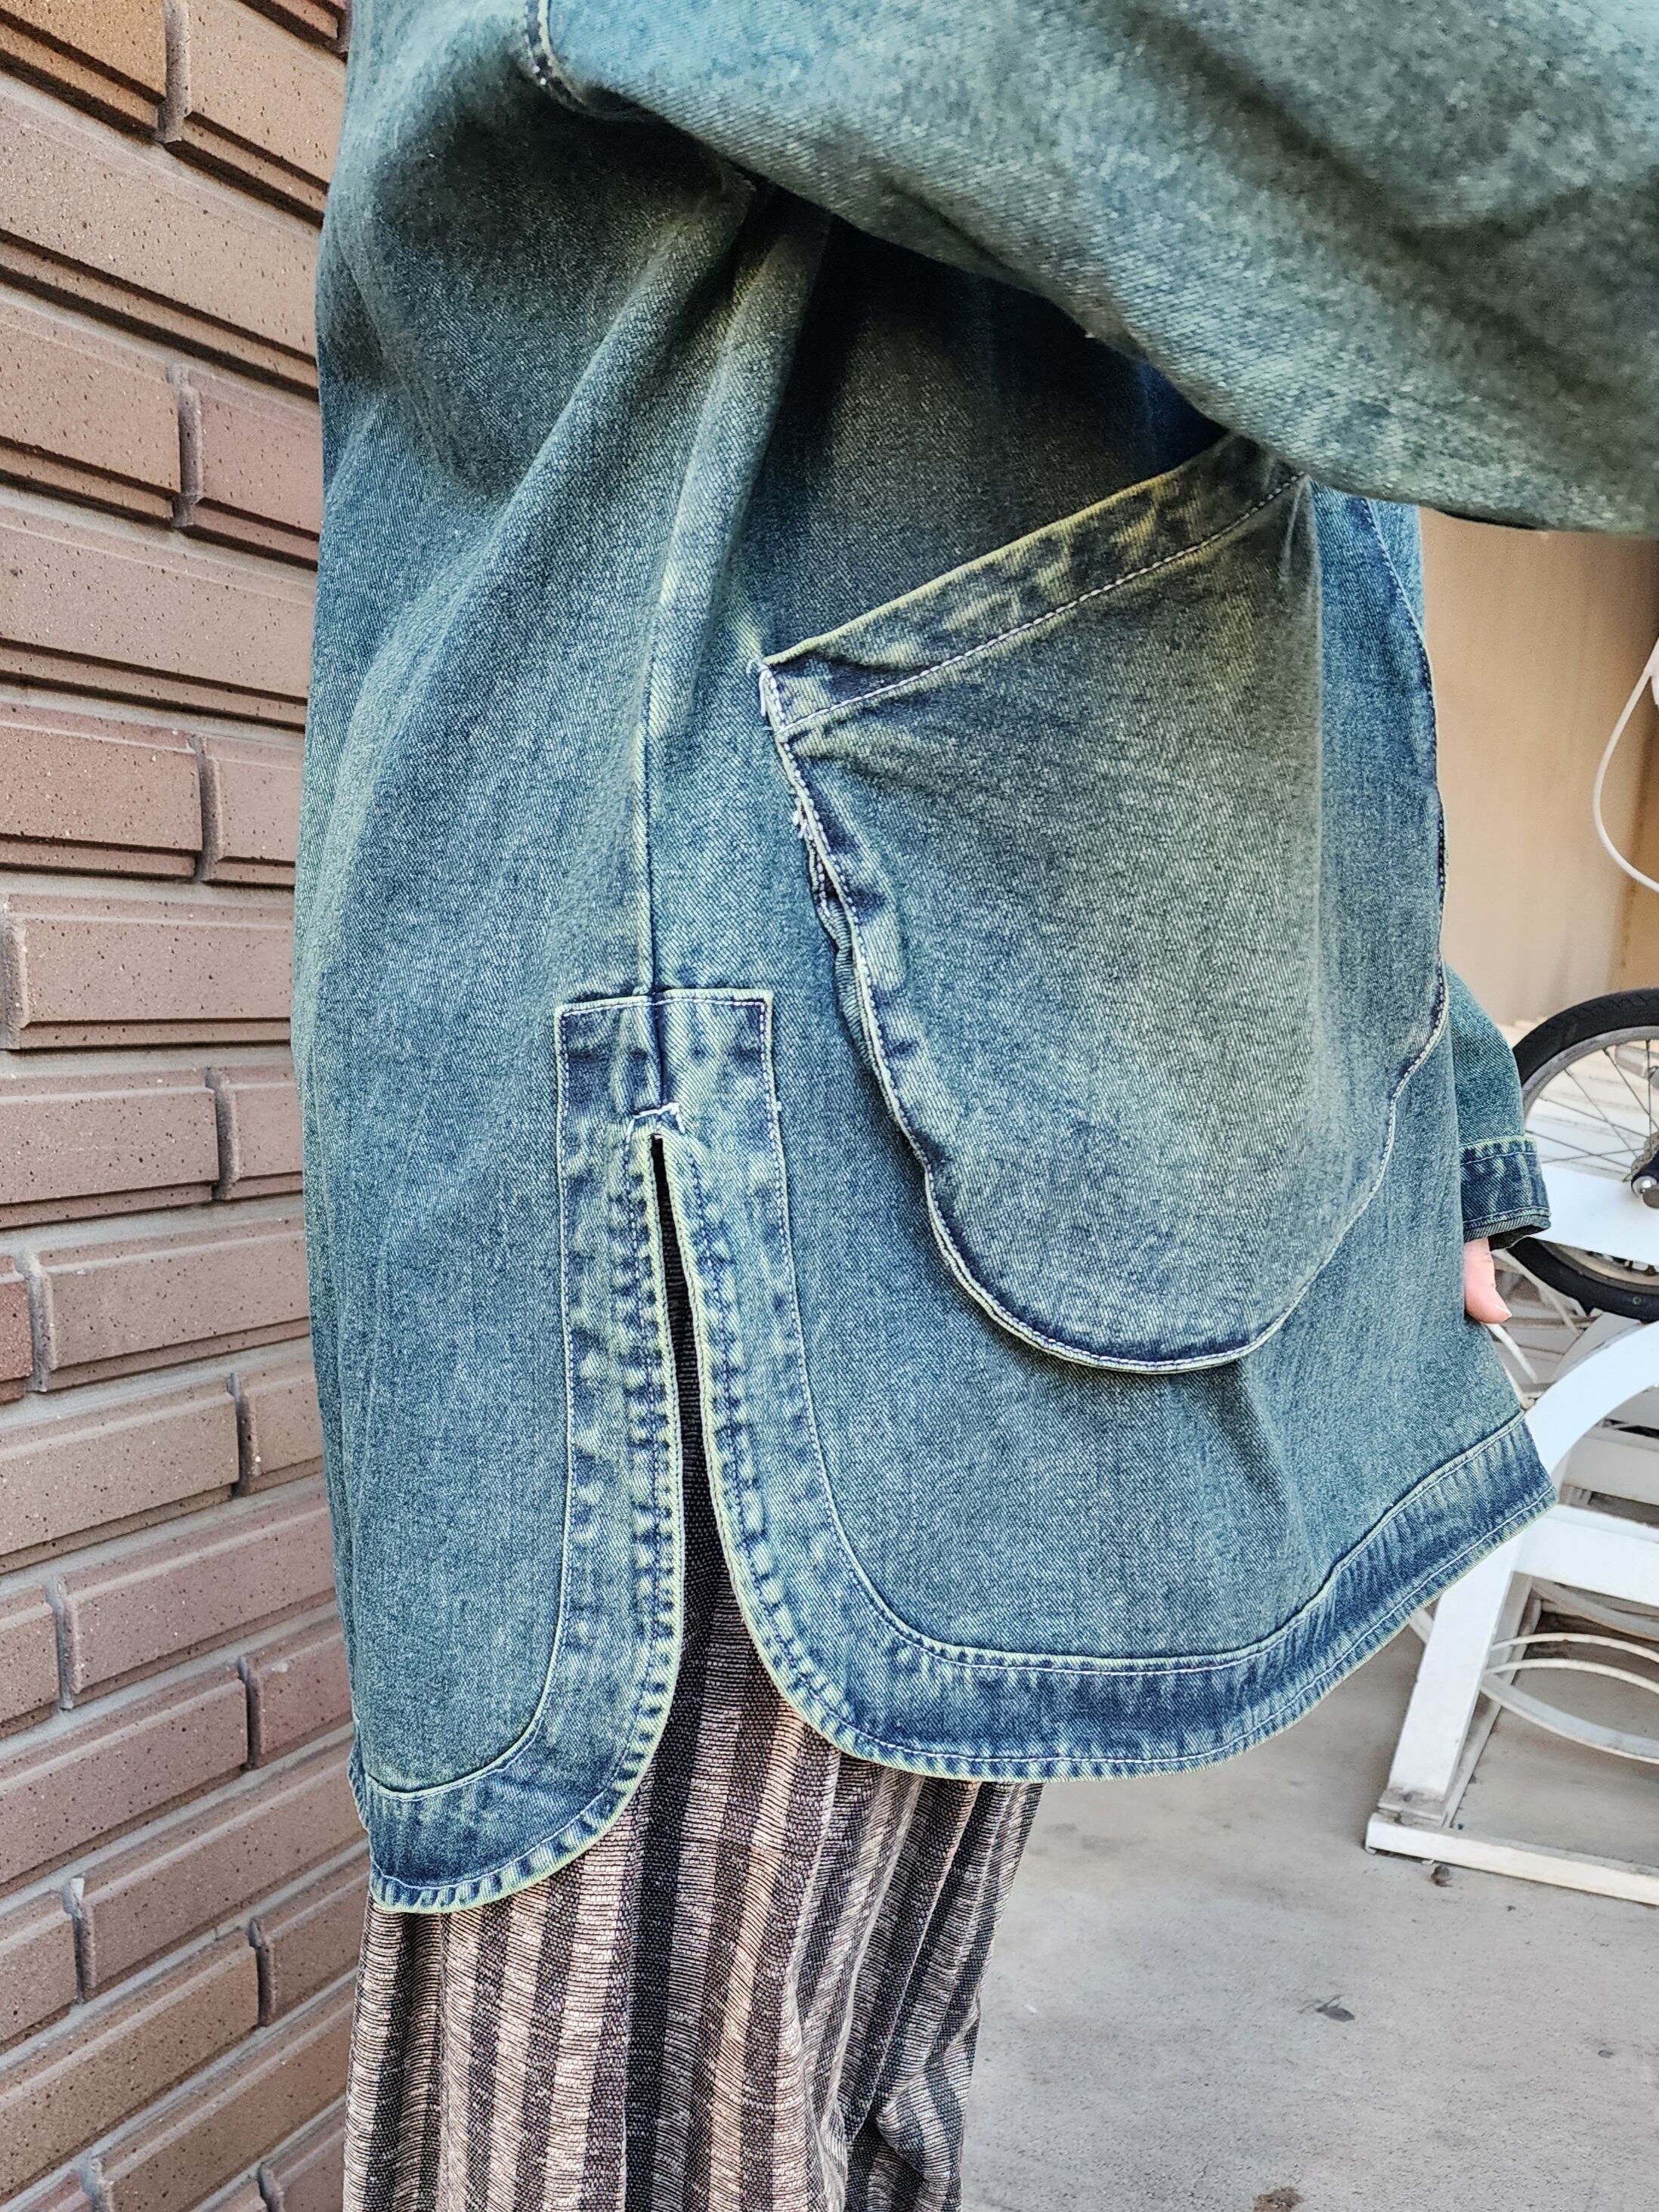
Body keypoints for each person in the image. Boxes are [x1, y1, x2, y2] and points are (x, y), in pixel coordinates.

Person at [294, 4, 1659, 2204]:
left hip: (925, 1096)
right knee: (668, 2140)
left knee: (849, 2097)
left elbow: (1290, 547)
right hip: (741, 1153)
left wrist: (1431, 1088)